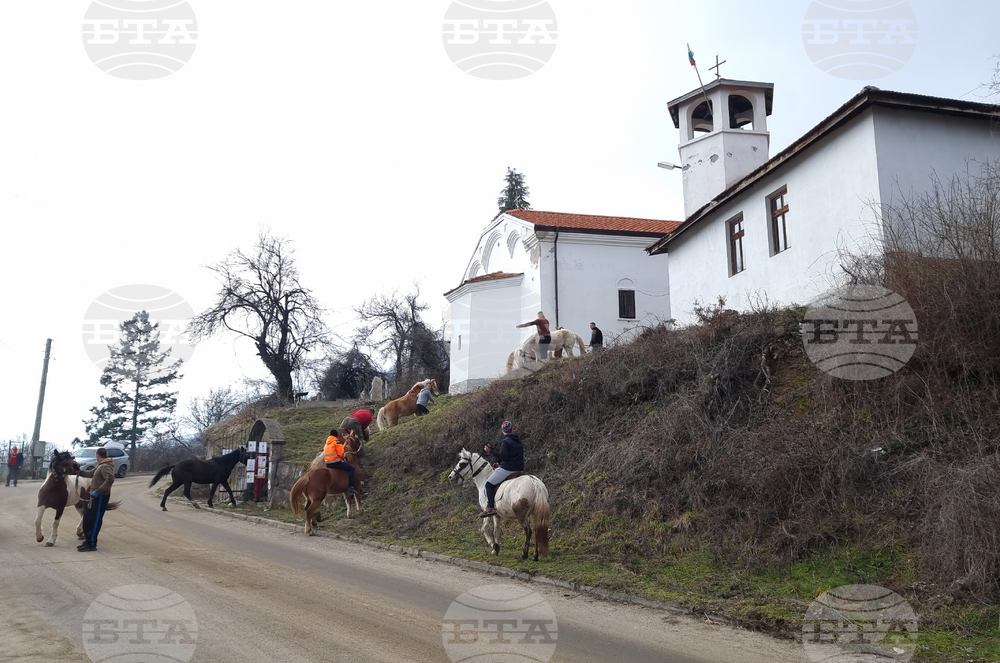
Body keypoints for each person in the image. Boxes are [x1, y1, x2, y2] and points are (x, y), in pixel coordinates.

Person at [479, 421, 525, 518]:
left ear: (503, 430)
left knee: (488, 484)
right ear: (511, 429)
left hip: (508, 469)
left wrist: (490, 451)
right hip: (519, 469)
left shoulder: (505, 441)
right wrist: (500, 464)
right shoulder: (518, 440)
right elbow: (512, 456)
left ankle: (491, 507)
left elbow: (503, 456)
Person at [77, 447, 115, 552]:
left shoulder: (106, 466)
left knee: (95, 520)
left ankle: (92, 544)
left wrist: (98, 491)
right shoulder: (100, 465)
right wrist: (79, 472)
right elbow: (90, 473)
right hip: (95, 496)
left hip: (101, 496)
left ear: (97, 455)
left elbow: (110, 479)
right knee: (87, 518)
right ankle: (87, 541)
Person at [324, 429, 357, 495]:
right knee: (351, 469)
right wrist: (344, 455)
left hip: (328, 464)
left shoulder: (326, 444)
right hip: (336, 462)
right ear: (336, 435)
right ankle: (350, 486)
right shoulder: (337, 442)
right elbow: (341, 455)